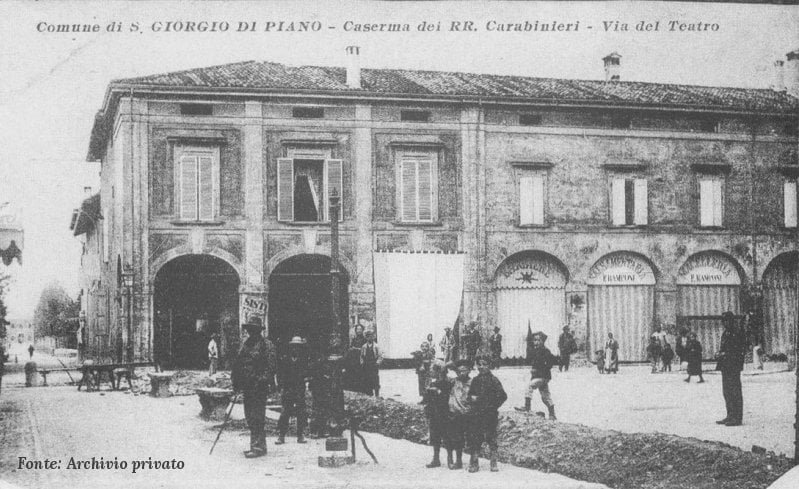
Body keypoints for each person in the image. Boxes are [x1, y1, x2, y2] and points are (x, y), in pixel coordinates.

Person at [231, 317, 277, 458]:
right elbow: (238, 364)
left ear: (259, 330)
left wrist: (262, 380)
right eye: (249, 329)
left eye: (253, 329)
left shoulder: (266, 345)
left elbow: (271, 367)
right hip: (247, 386)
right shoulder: (246, 344)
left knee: (257, 416)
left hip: (258, 386)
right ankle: (258, 445)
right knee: (249, 416)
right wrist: (236, 382)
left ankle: (257, 447)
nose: (250, 331)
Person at [467, 355, 507, 473]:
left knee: (491, 437)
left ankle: (493, 462)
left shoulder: (494, 380)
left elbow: (503, 396)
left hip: (490, 414)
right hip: (477, 414)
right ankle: (474, 462)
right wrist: (471, 398)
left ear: (489, 366)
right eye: (479, 364)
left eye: (484, 364)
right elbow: (470, 395)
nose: (481, 367)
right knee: (475, 437)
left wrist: (492, 406)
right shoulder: (475, 380)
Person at [515, 331, 558, 420]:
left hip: (543, 376)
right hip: (539, 377)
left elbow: (549, 365)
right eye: (535, 340)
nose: (536, 342)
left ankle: (527, 407)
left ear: (543, 341)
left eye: (539, 340)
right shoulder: (535, 351)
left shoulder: (546, 351)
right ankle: (552, 414)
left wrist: (538, 370)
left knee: (530, 387)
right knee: (545, 396)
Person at [276, 336, 309, 445]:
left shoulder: (304, 360)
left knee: (301, 412)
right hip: (288, 389)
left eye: (298, 347)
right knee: (285, 412)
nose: (296, 349)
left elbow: (307, 373)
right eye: (294, 346)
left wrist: (305, 379)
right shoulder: (285, 359)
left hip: (299, 388)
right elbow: (280, 373)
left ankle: (300, 435)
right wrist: (281, 385)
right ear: (291, 347)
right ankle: (281, 435)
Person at [716, 312, 746, 426]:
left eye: (727, 320)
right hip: (725, 365)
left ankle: (737, 418)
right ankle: (730, 415)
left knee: (735, 391)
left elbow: (739, 350)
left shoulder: (737, 333)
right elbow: (724, 348)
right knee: (727, 391)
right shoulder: (725, 333)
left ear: (732, 321)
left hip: (733, 365)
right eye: (723, 321)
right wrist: (719, 354)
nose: (724, 323)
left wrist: (725, 354)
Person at [422, 360, 451, 469]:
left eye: (431, 369)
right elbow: (426, 399)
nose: (430, 371)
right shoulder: (432, 383)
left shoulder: (447, 383)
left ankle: (450, 459)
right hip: (434, 413)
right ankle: (436, 459)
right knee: (435, 437)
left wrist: (438, 391)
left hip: (444, 413)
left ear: (438, 371)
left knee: (447, 436)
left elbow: (448, 398)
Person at [446, 359, 473, 470]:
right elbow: (444, 368)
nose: (462, 373)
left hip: (467, 413)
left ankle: (473, 461)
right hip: (455, 414)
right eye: (459, 371)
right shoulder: (453, 381)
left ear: (469, 371)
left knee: (470, 438)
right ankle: (458, 461)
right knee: (457, 438)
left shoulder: (473, 382)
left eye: (464, 370)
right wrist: (452, 366)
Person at [360, 330, 383, 397]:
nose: (370, 338)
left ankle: (377, 394)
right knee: (367, 378)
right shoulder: (364, 346)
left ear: (373, 337)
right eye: (368, 337)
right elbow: (361, 356)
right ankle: (369, 393)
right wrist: (362, 363)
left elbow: (380, 356)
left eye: (371, 336)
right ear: (366, 338)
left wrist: (377, 363)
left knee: (375, 379)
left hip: (374, 364)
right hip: (367, 364)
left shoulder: (376, 346)